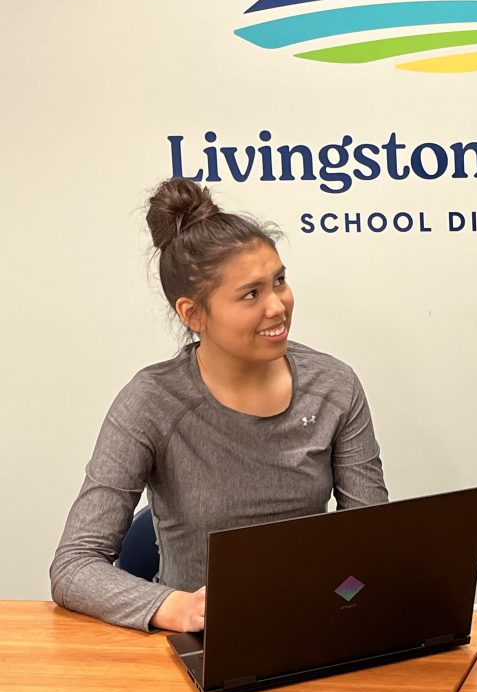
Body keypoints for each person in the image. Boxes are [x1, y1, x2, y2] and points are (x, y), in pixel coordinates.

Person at [50, 178, 388, 632]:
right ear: (193, 314)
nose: (278, 306)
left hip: (316, 630)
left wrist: (340, 602)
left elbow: (369, 541)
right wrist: (177, 608)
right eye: (251, 294)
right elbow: (75, 564)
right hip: (202, 640)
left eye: (279, 281)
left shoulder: (334, 384)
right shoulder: (151, 402)